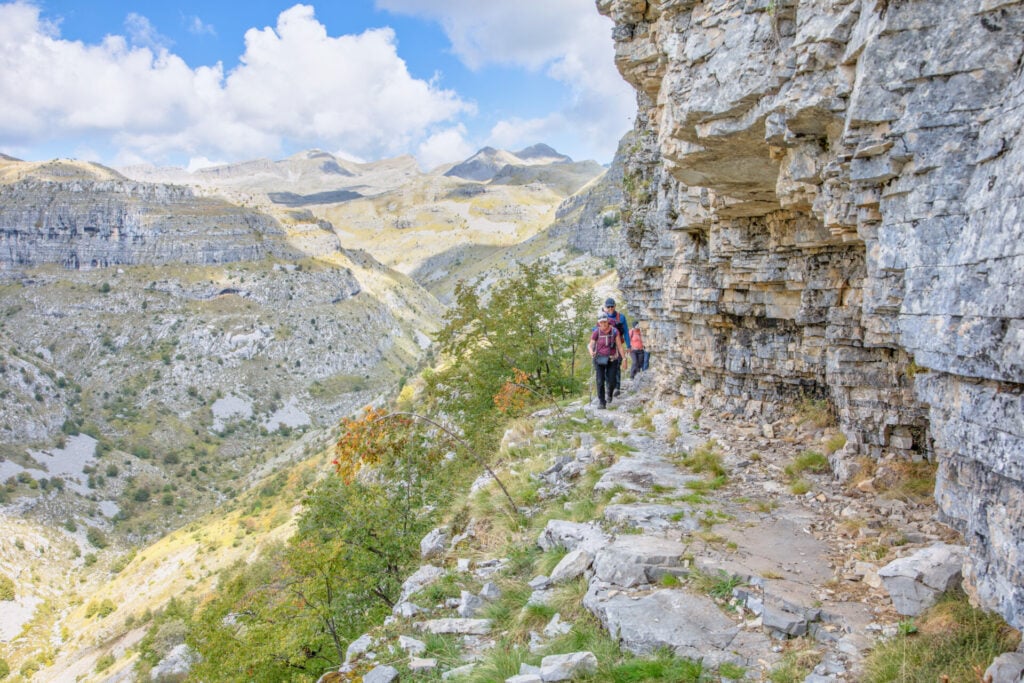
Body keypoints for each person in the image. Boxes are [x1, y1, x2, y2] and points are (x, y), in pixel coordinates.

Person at [588, 313, 627, 409]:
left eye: (605, 322)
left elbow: (619, 346)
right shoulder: (597, 332)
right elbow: (590, 345)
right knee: (600, 380)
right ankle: (602, 402)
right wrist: (591, 352)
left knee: (612, 380)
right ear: (599, 323)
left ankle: (609, 394)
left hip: (612, 358)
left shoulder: (614, 331)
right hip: (599, 358)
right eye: (601, 322)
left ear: (608, 321)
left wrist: (624, 359)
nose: (603, 324)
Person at [603, 298, 629, 396]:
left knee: (617, 365)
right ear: (605, 307)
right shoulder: (602, 317)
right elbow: (596, 330)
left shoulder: (621, 317)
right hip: (605, 346)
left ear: (615, 306)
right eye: (608, 307)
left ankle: (617, 388)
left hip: (617, 345)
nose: (610, 308)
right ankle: (609, 386)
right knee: (605, 366)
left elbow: (626, 331)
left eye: (612, 306)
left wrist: (629, 345)